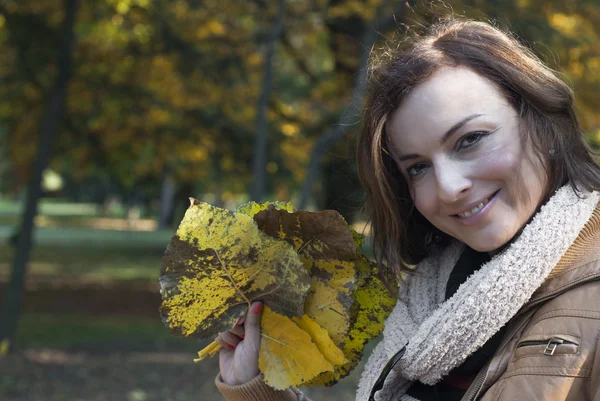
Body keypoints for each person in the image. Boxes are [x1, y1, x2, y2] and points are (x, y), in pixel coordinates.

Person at [213, 17, 600, 401]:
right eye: (418, 167)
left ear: (543, 125)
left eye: (470, 140)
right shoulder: (428, 302)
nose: (448, 188)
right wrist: (256, 387)